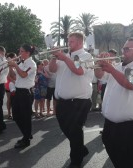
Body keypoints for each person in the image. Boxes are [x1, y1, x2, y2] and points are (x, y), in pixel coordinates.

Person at [94, 37, 133, 168]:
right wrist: (99, 62)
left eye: (126, 49)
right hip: (111, 123)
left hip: (131, 125)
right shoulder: (118, 65)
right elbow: (99, 75)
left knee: (129, 161)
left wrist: (111, 69)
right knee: (114, 152)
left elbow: (131, 84)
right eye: (123, 48)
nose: (122, 51)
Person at [49, 32, 94, 168]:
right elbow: (52, 70)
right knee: (65, 128)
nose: (68, 44)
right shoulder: (65, 57)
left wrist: (63, 57)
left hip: (79, 101)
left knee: (74, 130)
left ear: (80, 43)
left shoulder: (86, 56)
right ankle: (80, 149)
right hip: (63, 101)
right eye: (68, 41)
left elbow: (78, 70)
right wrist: (53, 57)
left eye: (71, 42)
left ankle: (76, 160)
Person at [8, 44, 36, 148]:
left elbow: (24, 74)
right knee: (16, 116)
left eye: (21, 51)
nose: (19, 53)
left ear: (28, 53)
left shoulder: (32, 64)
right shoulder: (21, 63)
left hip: (26, 93)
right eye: (19, 51)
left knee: (25, 117)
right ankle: (27, 134)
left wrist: (15, 65)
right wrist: (11, 67)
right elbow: (14, 75)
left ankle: (26, 139)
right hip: (18, 91)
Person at [5, 52, 17, 120]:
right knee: (9, 99)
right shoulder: (8, 65)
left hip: (14, 83)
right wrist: (13, 81)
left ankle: (14, 112)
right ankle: (9, 113)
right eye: (15, 56)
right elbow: (8, 76)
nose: (16, 57)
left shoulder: (14, 65)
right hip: (9, 83)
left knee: (14, 99)